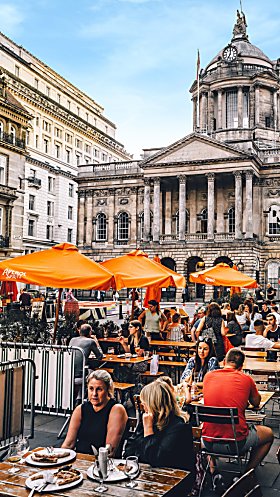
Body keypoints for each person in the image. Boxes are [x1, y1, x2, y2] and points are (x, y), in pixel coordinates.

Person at [202, 349, 274, 476]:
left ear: (224, 361)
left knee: (208, 424)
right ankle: (247, 473)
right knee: (268, 434)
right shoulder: (246, 379)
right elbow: (256, 403)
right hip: (235, 443)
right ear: (241, 366)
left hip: (207, 442)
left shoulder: (208, 376)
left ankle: (212, 468)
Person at [124, 380, 195, 488]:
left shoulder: (178, 427)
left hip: (173, 483)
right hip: (148, 478)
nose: (143, 407)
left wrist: (148, 430)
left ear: (154, 405)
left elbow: (155, 459)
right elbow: (129, 450)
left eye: (145, 403)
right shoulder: (149, 419)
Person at [62, 370, 127, 456]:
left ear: (108, 390)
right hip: (80, 460)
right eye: (91, 389)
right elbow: (68, 444)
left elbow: (109, 451)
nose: (94, 394)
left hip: (103, 463)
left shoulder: (116, 410)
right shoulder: (80, 409)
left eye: (99, 389)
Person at [69, 323, 103, 403]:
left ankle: (79, 398)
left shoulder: (72, 340)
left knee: (85, 369)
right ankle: (92, 398)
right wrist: (96, 341)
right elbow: (100, 356)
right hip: (81, 375)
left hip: (70, 373)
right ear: (90, 332)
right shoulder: (91, 341)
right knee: (94, 372)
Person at [117, 320, 150, 393]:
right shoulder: (130, 338)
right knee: (119, 368)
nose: (129, 328)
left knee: (122, 369)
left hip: (141, 363)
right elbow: (128, 351)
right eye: (129, 327)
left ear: (137, 328)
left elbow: (140, 355)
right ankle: (127, 387)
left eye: (131, 327)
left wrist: (132, 354)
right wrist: (123, 343)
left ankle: (129, 388)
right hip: (132, 362)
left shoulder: (143, 339)